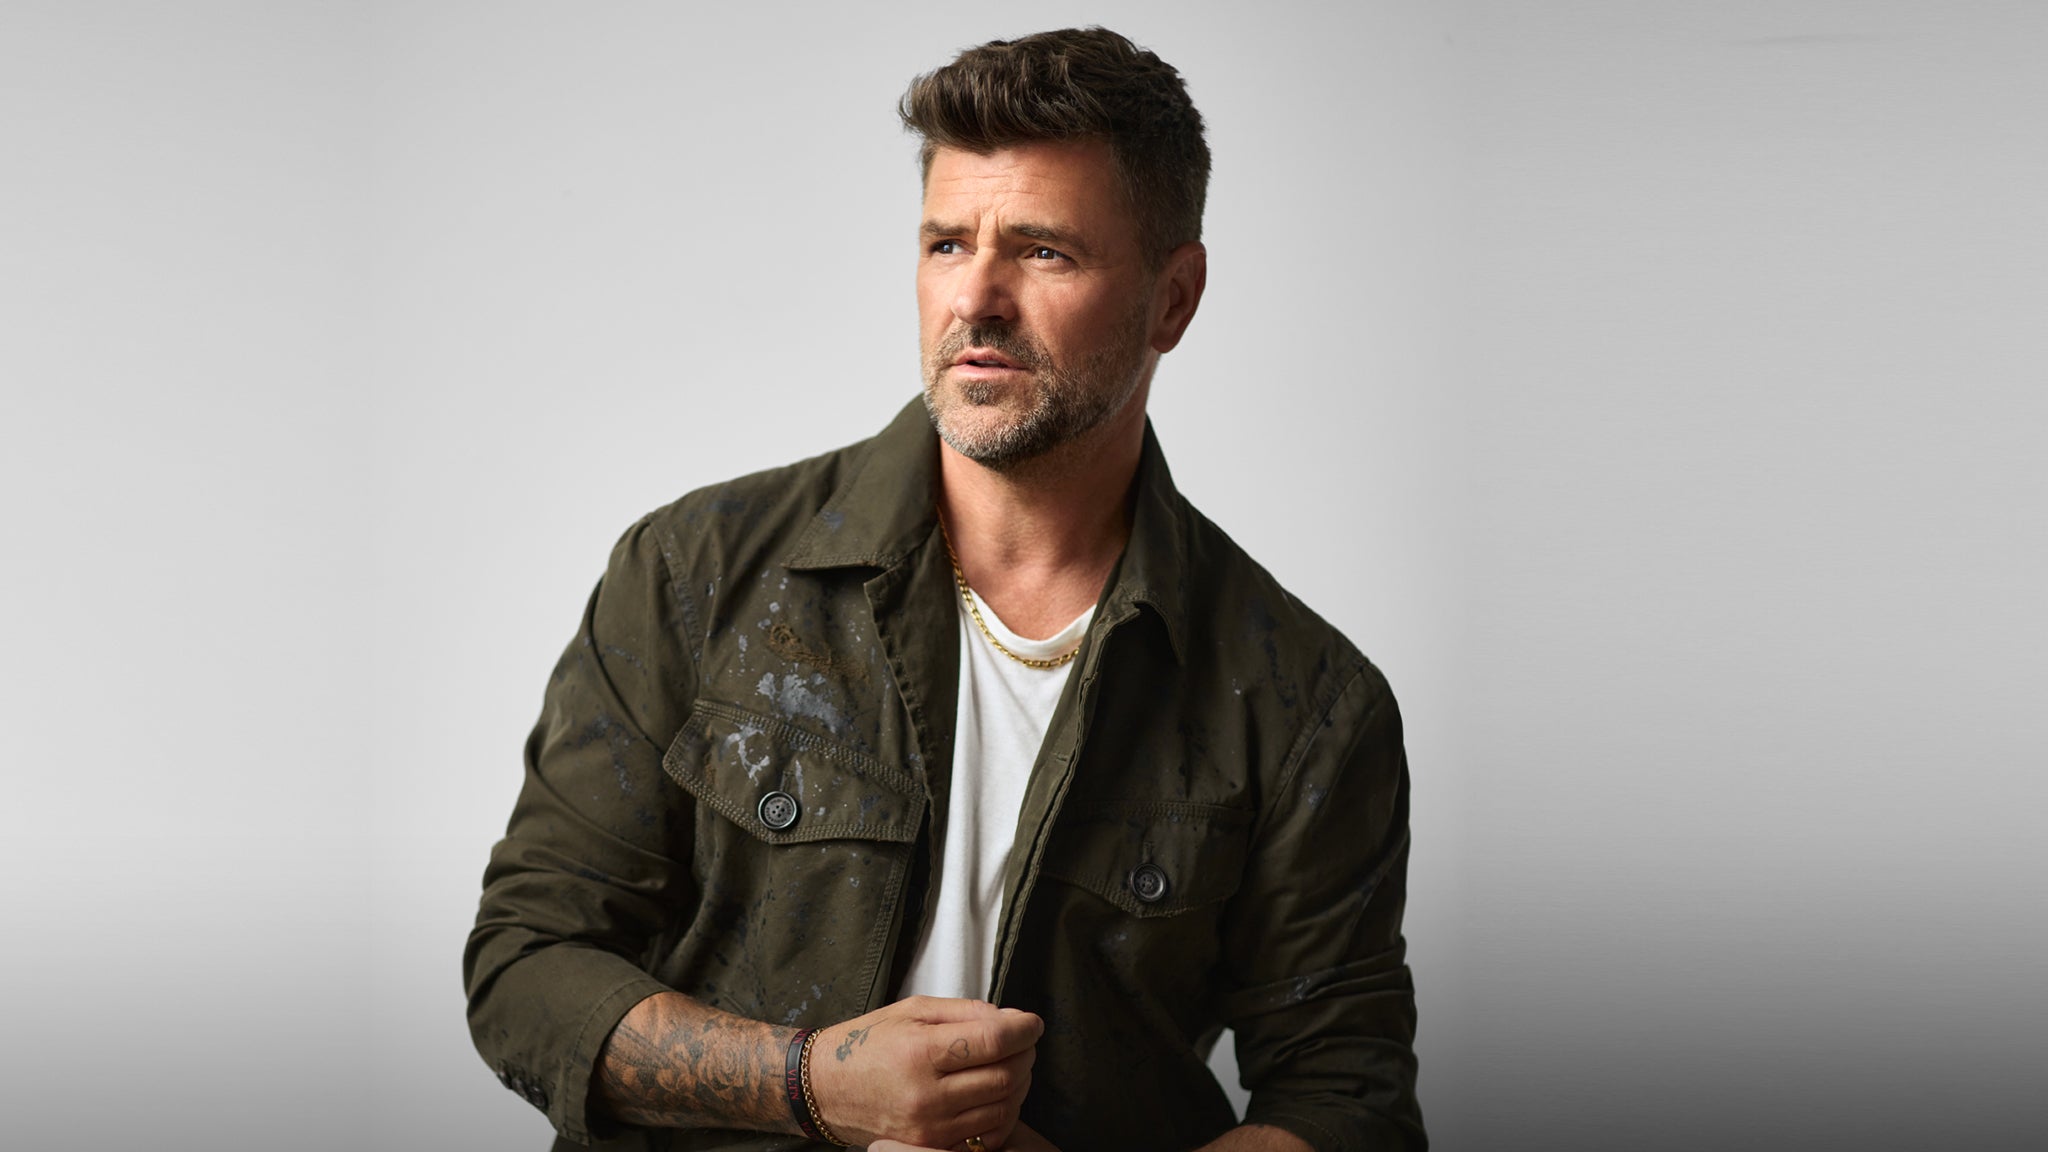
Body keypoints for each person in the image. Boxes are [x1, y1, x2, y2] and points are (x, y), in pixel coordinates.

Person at [465, 27, 1425, 1152]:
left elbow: (1344, 1100)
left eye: (1044, 252)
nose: (976, 297)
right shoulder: (694, 574)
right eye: (945, 243)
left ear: (1173, 300)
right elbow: (525, 971)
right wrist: (809, 1083)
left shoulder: (1305, 702)